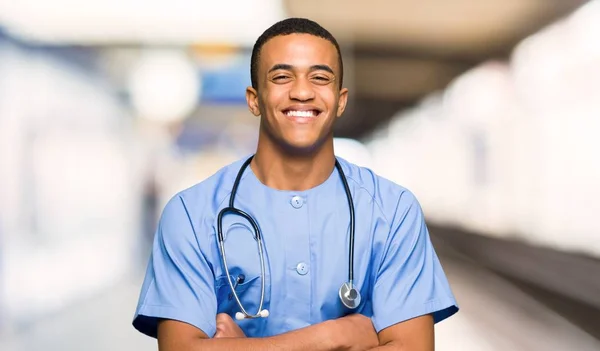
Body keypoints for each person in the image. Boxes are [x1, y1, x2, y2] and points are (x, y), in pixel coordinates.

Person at [132, 17, 459, 350]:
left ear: (341, 100)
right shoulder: (191, 214)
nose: (302, 92)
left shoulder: (393, 211)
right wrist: (335, 336)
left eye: (319, 78)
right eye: (282, 77)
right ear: (254, 98)